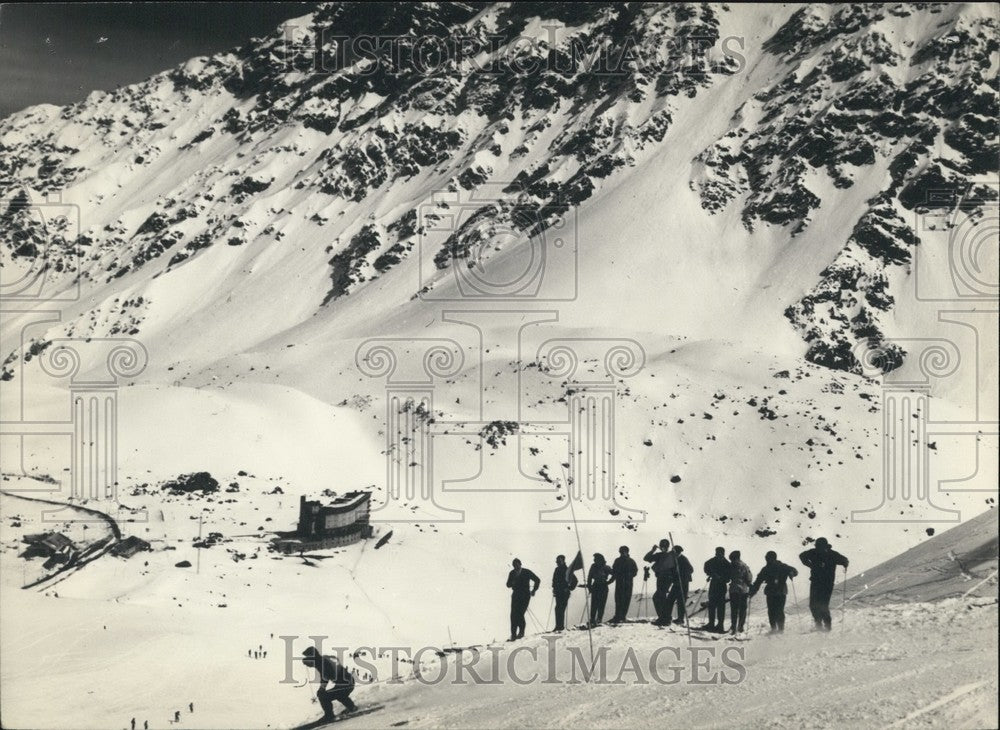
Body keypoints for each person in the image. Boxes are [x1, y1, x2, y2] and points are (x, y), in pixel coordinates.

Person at [799, 537, 849, 631]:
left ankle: (826, 625)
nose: (818, 548)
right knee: (814, 605)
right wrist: (811, 565)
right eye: (817, 546)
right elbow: (802, 556)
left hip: (826, 583)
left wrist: (845, 563)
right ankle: (819, 624)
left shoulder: (830, 554)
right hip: (818, 582)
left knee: (821, 604)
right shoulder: (817, 552)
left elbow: (844, 560)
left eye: (819, 546)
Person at [302, 646, 357, 721]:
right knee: (339, 693)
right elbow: (334, 659)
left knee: (323, 696)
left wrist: (321, 689)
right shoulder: (324, 659)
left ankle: (329, 715)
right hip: (348, 682)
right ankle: (352, 707)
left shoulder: (321, 663)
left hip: (345, 684)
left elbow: (325, 677)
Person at [749, 551, 799, 633]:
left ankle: (777, 629)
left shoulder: (770, 568)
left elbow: (758, 582)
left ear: (771, 558)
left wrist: (753, 592)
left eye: (767, 558)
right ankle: (778, 629)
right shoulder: (781, 567)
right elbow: (758, 581)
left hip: (774, 591)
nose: (766, 560)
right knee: (776, 610)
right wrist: (792, 573)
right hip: (779, 591)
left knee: (774, 610)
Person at [643, 539, 677, 626]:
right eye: (662, 546)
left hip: (666, 578)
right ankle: (665, 617)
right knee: (661, 598)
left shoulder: (671, 555)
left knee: (658, 597)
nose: (663, 548)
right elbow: (646, 558)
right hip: (662, 578)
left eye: (664, 546)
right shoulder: (664, 555)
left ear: (667, 547)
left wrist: (653, 550)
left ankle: (664, 618)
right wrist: (653, 550)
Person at [506, 558, 540, 640]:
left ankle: (521, 632)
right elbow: (508, 584)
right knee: (513, 615)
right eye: (514, 565)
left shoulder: (526, 572)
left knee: (520, 614)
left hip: (525, 596)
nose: (515, 566)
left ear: (520, 564)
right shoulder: (512, 573)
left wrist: (534, 590)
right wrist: (512, 583)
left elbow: (537, 580)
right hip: (515, 596)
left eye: (517, 564)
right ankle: (513, 635)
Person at [700, 546, 730, 633]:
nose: (717, 555)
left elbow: (728, 578)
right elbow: (706, 566)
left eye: (719, 553)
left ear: (722, 553)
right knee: (713, 605)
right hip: (715, 585)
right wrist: (711, 574)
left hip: (720, 585)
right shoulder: (722, 562)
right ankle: (713, 624)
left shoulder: (726, 564)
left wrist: (720, 577)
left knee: (719, 606)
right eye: (717, 553)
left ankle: (719, 625)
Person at [664, 545, 694, 624]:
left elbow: (691, 570)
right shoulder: (674, 560)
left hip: (683, 583)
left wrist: (681, 574)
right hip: (676, 583)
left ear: (678, 552)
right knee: (670, 600)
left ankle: (680, 619)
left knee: (681, 601)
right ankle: (667, 617)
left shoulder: (683, 559)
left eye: (674, 552)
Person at [610, 546, 638, 623]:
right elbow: (614, 572)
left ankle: (621, 617)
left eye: (622, 552)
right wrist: (611, 580)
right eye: (621, 552)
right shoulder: (620, 560)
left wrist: (628, 576)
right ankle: (618, 616)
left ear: (626, 552)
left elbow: (635, 572)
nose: (621, 553)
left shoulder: (630, 561)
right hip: (623, 583)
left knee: (625, 599)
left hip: (626, 583)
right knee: (619, 599)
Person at [728, 550, 753, 634]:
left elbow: (728, 577)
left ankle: (734, 626)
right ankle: (740, 627)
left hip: (735, 590)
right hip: (742, 590)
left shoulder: (731, 566)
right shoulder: (745, 566)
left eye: (732, 559)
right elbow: (749, 578)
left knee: (735, 609)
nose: (732, 561)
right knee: (742, 609)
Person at [551, 554, 576, 631]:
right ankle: (558, 626)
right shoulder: (557, 569)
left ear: (563, 561)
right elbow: (554, 580)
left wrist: (569, 588)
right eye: (557, 561)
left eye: (559, 561)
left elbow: (575, 580)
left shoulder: (567, 569)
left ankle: (560, 627)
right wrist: (554, 588)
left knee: (560, 608)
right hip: (558, 592)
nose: (557, 562)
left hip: (564, 593)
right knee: (557, 608)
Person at [587, 553, 613, 625]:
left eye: (595, 559)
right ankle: (592, 619)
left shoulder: (606, 567)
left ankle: (599, 619)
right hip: (596, 586)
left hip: (603, 586)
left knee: (601, 604)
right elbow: (589, 577)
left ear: (600, 560)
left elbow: (614, 574)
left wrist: (608, 582)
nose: (594, 560)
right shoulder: (593, 566)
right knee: (594, 604)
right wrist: (589, 587)